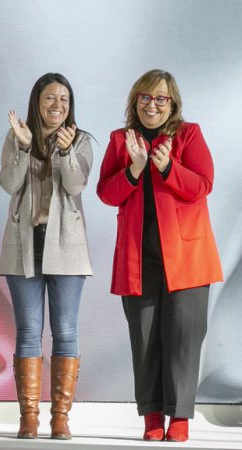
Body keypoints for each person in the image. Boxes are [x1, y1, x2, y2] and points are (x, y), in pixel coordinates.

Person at [96, 69, 222, 442]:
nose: (152, 105)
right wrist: (134, 169)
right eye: (145, 97)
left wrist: (168, 167)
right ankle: (152, 417)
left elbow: (203, 185)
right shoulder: (120, 140)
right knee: (145, 340)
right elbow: (106, 192)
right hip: (139, 258)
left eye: (160, 98)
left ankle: (179, 417)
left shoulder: (189, 135)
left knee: (183, 339)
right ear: (135, 101)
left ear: (172, 103)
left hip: (187, 258)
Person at [0, 73, 93, 440]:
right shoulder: (16, 136)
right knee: (28, 331)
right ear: (37, 102)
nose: (57, 105)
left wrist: (66, 153)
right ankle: (29, 418)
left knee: (66, 331)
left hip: (66, 245)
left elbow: (76, 185)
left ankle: (60, 418)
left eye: (64, 99)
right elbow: (8, 184)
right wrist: (23, 148)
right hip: (24, 243)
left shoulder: (81, 141)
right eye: (50, 97)